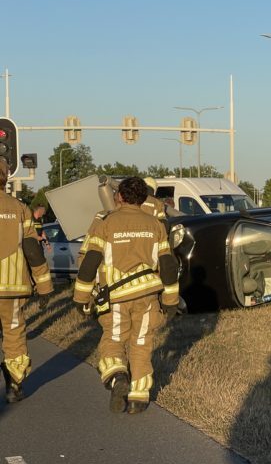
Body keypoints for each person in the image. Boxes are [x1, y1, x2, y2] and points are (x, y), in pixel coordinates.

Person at [73, 176, 179, 414]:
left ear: (119, 196)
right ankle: (139, 398)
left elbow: (90, 261)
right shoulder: (156, 225)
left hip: (116, 298)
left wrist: (81, 297)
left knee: (113, 340)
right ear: (144, 198)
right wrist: (171, 301)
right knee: (141, 344)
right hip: (148, 296)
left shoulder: (105, 223)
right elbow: (168, 265)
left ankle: (117, 376)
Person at [0, 158, 54, 403]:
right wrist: (44, 286)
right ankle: (15, 383)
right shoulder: (20, 208)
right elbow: (32, 249)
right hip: (12, 286)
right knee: (13, 333)